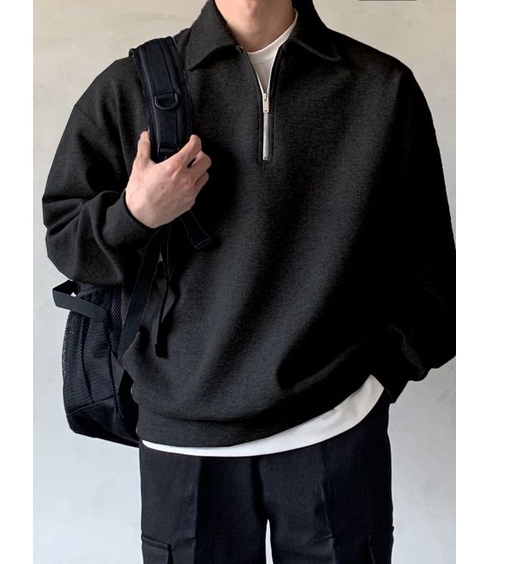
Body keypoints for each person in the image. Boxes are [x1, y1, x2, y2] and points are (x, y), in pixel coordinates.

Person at [42, 0, 456, 562]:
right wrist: (134, 215)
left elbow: (429, 268)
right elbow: (66, 243)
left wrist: (378, 380)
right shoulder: (128, 88)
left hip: (335, 427)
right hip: (182, 435)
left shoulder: (381, 88)